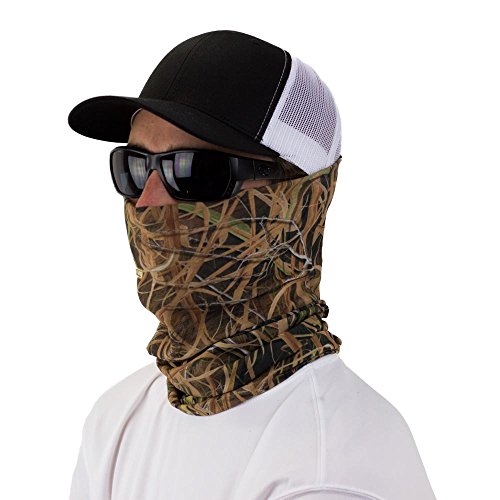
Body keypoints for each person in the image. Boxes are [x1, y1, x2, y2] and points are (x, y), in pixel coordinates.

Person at [67, 30, 436, 500]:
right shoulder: (117, 421)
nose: (148, 202)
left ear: (300, 199)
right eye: (135, 167)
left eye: (195, 172)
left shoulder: (332, 467)